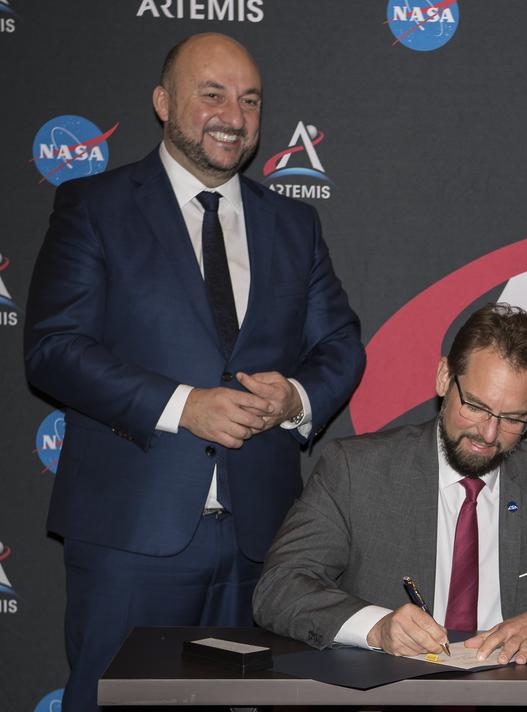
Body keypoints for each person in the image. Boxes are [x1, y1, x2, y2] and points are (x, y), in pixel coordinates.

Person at [24, 33, 364, 711]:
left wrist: (293, 399)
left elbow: (341, 344)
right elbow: (54, 346)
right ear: (162, 102)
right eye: (212, 94)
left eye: (249, 99)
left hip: (261, 544)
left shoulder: (294, 224)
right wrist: (184, 406)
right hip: (131, 539)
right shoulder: (95, 207)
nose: (232, 115)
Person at [253, 303, 527, 664]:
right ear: (444, 377)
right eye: (475, 406)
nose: (488, 434)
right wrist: (378, 627)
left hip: (513, 697)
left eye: (513, 419)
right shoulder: (355, 470)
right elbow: (280, 587)